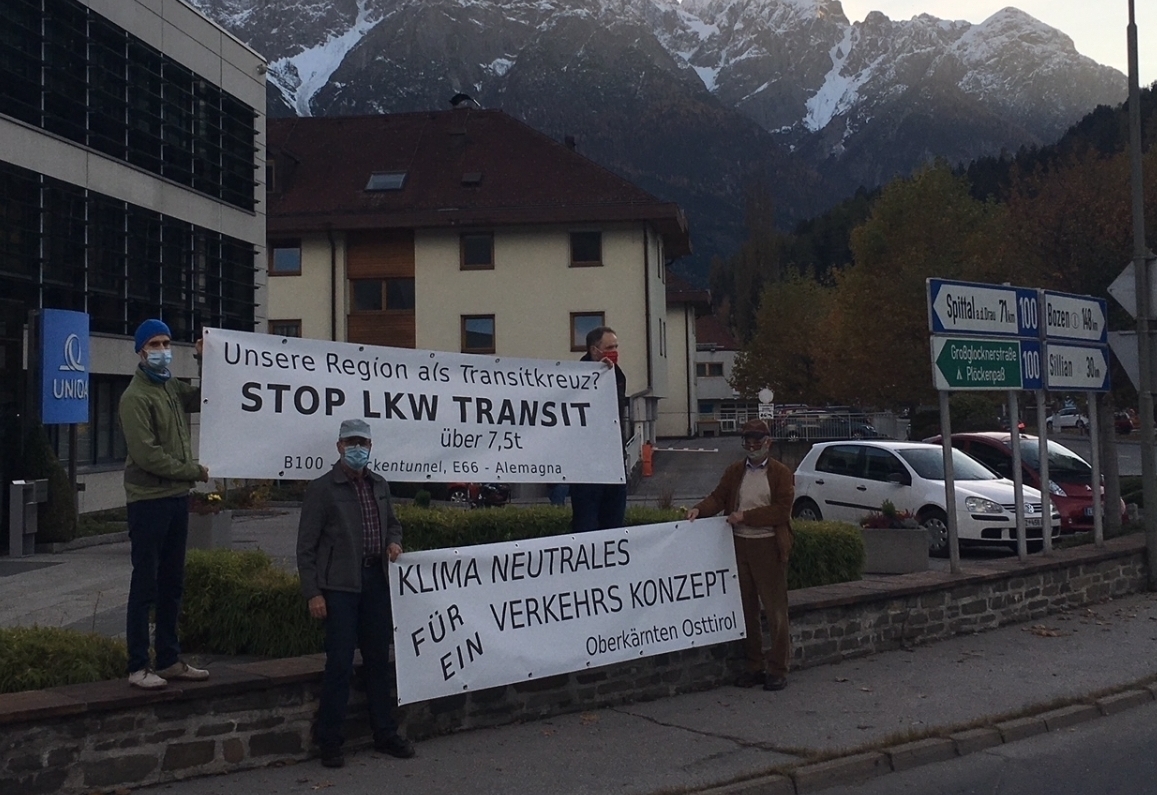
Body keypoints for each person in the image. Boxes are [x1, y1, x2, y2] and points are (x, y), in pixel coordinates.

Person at [297, 418, 415, 768]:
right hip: (339, 589)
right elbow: (306, 548)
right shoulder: (322, 488)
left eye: (362, 442)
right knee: (339, 664)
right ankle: (330, 741)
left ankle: (385, 732)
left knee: (379, 660)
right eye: (350, 442)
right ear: (338, 447)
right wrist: (313, 592)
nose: (357, 449)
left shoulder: (379, 485)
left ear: (371, 446)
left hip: (375, 583)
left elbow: (393, 523)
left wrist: (394, 542)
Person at [118, 319, 211, 689]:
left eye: (166, 342)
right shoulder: (134, 397)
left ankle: (169, 659)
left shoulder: (172, 386)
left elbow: (207, 397)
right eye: (154, 344)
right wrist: (193, 470)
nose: (161, 349)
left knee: (173, 583)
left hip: (175, 498)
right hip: (148, 501)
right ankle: (138, 665)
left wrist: (206, 361)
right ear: (141, 351)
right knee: (146, 584)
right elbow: (148, 456)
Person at [686, 419, 794, 691]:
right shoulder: (735, 471)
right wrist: (699, 510)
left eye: (756, 441)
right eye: (747, 441)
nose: (751, 446)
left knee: (775, 610)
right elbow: (719, 497)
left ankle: (778, 668)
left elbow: (781, 511)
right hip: (739, 545)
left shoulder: (780, 473)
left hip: (767, 544)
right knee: (746, 610)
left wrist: (746, 516)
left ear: (768, 442)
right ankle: (754, 665)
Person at [570, 326, 628, 532]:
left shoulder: (617, 375)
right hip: (587, 467)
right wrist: (596, 375)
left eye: (616, 346)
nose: (615, 351)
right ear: (595, 350)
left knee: (614, 524)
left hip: (613, 462)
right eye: (609, 347)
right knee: (586, 525)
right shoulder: (577, 375)